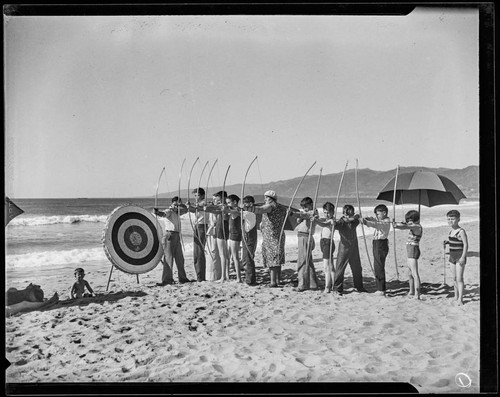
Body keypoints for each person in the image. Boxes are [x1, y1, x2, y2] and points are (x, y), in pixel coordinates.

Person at [250, 190, 287, 287]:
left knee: (273, 259)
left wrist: (249, 208)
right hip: (279, 235)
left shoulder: (270, 206)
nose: (264, 199)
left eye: (266, 197)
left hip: (271, 236)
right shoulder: (281, 207)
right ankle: (278, 280)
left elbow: (260, 209)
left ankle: (273, 282)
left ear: (270, 199)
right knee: (277, 258)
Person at [154, 197, 191, 286]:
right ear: (172, 204)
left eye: (178, 204)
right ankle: (167, 280)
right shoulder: (169, 211)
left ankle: (183, 278)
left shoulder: (178, 212)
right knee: (168, 259)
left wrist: (181, 205)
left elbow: (186, 210)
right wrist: (157, 212)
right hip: (169, 236)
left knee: (180, 259)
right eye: (175, 204)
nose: (176, 206)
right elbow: (163, 214)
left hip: (177, 236)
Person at [332, 204, 367, 295]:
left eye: (351, 213)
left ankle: (359, 286)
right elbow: (335, 225)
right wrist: (333, 223)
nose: (348, 215)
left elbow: (357, 217)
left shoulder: (354, 222)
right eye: (347, 213)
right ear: (343, 213)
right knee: (340, 269)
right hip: (344, 248)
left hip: (354, 247)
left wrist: (355, 218)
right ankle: (337, 288)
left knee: (357, 268)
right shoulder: (341, 222)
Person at [393, 210, 423, 300]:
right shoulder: (413, 226)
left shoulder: (417, 226)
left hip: (413, 249)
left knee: (414, 273)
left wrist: (397, 225)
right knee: (409, 273)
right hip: (410, 249)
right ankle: (411, 291)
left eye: (411, 219)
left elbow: (404, 227)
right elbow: (406, 225)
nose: (409, 221)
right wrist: (399, 224)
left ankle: (417, 294)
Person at [362, 204, 391, 296]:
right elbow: (375, 221)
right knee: (377, 265)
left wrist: (366, 223)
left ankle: (381, 289)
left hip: (380, 244)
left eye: (378, 214)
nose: (377, 216)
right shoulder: (381, 220)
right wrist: (368, 219)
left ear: (384, 213)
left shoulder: (385, 222)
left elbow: (376, 224)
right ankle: (380, 287)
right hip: (377, 243)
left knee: (379, 265)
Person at [443, 210, 469, 305]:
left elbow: (465, 245)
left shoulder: (461, 231)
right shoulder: (451, 231)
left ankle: (460, 299)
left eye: (453, 219)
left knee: (459, 278)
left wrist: (463, 257)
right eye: (448, 219)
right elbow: (454, 241)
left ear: (458, 219)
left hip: (459, 256)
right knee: (454, 277)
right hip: (452, 256)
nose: (450, 221)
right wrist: (447, 242)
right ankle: (456, 295)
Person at [204, 191, 230, 282]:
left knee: (220, 254)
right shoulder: (217, 206)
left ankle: (223, 275)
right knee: (213, 254)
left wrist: (208, 207)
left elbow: (216, 210)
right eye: (214, 199)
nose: (215, 201)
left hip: (219, 231)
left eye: (217, 199)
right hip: (213, 232)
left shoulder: (224, 207)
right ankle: (218, 275)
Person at [295, 197, 319, 291]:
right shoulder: (308, 213)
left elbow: (305, 215)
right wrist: (299, 218)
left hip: (306, 237)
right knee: (308, 261)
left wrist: (294, 214)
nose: (305, 208)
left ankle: (302, 284)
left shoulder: (313, 212)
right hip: (303, 236)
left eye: (306, 206)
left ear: (311, 204)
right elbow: (301, 217)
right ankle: (313, 283)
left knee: (302, 261)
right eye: (303, 207)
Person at [186, 187, 208, 282]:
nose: (196, 197)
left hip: (202, 227)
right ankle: (199, 276)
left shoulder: (204, 202)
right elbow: (193, 209)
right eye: (195, 196)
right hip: (198, 227)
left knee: (199, 253)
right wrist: (187, 206)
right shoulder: (198, 204)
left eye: (197, 195)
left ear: (202, 195)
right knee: (196, 253)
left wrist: (189, 206)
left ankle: (201, 277)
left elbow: (197, 208)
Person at [313, 202, 336, 293]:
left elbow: (324, 224)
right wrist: (315, 217)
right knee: (330, 265)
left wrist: (315, 221)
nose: (327, 214)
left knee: (326, 266)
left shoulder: (332, 220)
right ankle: (334, 284)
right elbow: (321, 220)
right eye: (325, 212)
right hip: (323, 242)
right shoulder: (326, 219)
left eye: (328, 212)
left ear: (333, 212)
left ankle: (327, 286)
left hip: (328, 242)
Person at [239, 195, 259, 286]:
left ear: (251, 203)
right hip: (246, 237)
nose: (245, 205)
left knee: (248, 258)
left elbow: (237, 212)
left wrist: (240, 208)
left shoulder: (250, 213)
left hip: (250, 238)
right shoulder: (246, 212)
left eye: (246, 203)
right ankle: (249, 278)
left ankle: (250, 280)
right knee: (245, 258)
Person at [225, 194, 243, 283]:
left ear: (235, 202)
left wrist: (224, 208)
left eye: (229, 202)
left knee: (235, 257)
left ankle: (239, 278)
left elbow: (229, 210)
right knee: (228, 256)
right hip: (231, 235)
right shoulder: (234, 210)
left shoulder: (236, 210)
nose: (227, 204)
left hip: (235, 235)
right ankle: (227, 275)